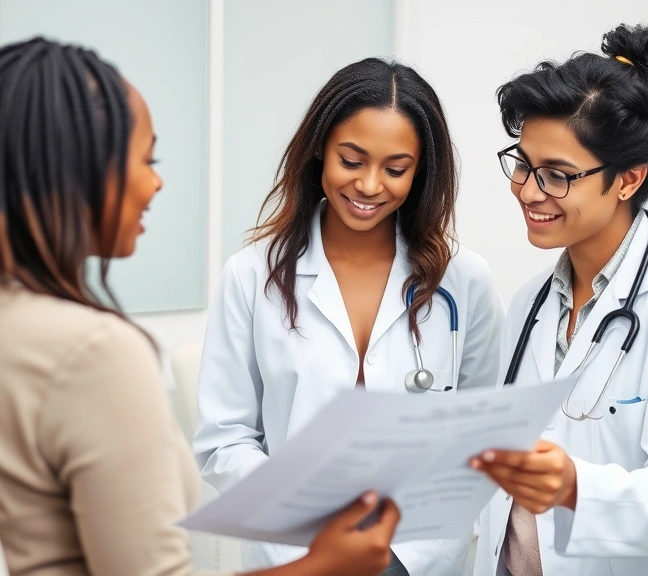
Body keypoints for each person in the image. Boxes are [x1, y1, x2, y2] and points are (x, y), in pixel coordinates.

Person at [0, 37, 399, 576]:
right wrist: (326, 564)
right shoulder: (92, 354)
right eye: (145, 158)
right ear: (72, 171)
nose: (156, 182)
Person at [193, 58, 505, 576]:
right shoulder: (252, 275)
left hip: (418, 556)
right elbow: (223, 440)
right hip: (294, 551)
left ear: (421, 171)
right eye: (352, 160)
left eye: (395, 168)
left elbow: (483, 434)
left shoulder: (464, 279)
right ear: (320, 151)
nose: (369, 185)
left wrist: (402, 556)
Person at [468, 24, 648, 576]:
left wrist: (572, 483)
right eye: (523, 163)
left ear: (627, 180)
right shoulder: (532, 302)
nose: (529, 190)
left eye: (556, 175)